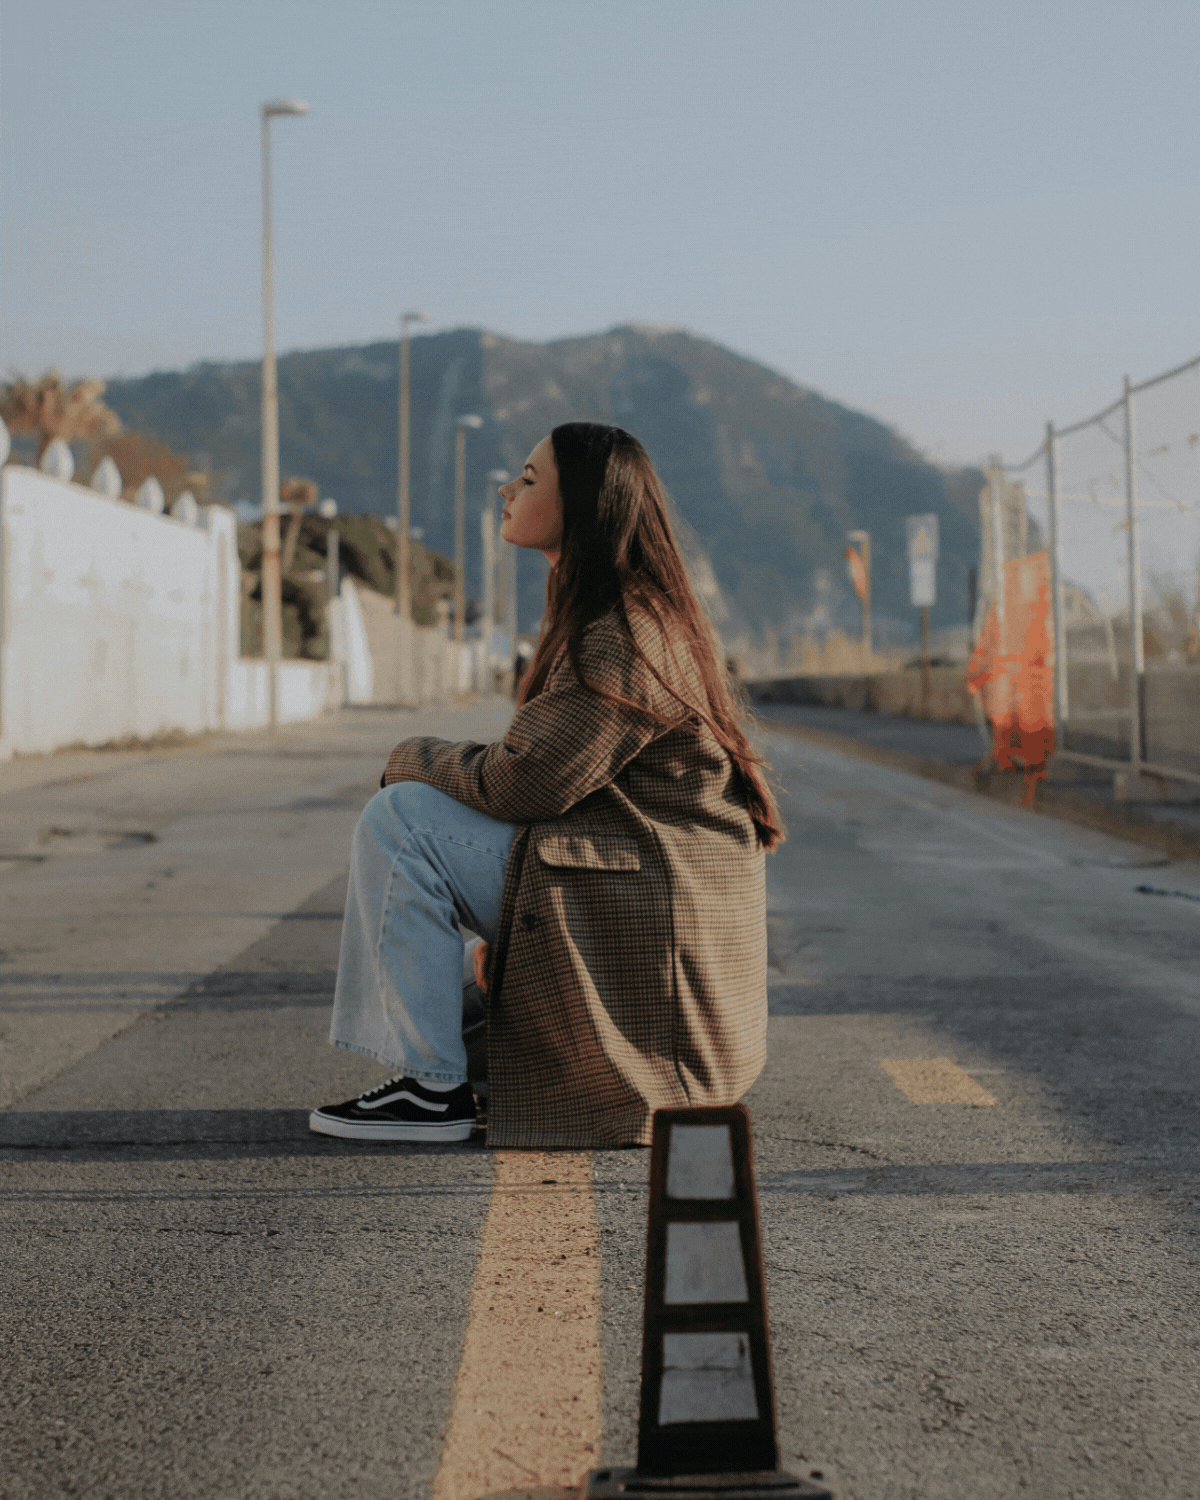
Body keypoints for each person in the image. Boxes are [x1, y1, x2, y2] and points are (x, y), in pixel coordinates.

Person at [309, 422, 783, 1149]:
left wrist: (410, 755)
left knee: (403, 817)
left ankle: (432, 1096)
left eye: (529, 480)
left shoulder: (625, 629)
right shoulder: (626, 612)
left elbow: (525, 781)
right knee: (465, 1013)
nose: (507, 490)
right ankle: (437, 1075)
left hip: (657, 950)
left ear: (585, 504)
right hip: (651, 926)